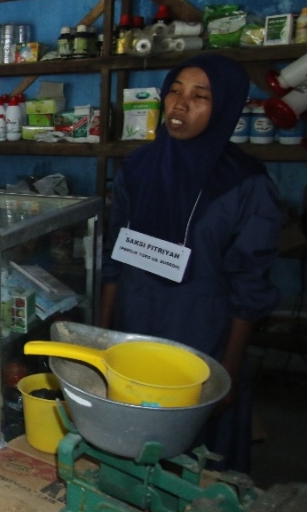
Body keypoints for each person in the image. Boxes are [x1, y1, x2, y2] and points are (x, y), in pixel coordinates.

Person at [100, 53, 280, 472]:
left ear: (226, 108)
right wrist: (103, 339)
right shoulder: (138, 169)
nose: (180, 105)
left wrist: (229, 370)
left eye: (200, 96)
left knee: (195, 453)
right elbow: (115, 257)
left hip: (202, 330)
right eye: (175, 92)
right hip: (135, 318)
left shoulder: (245, 184)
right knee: (129, 438)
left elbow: (250, 286)